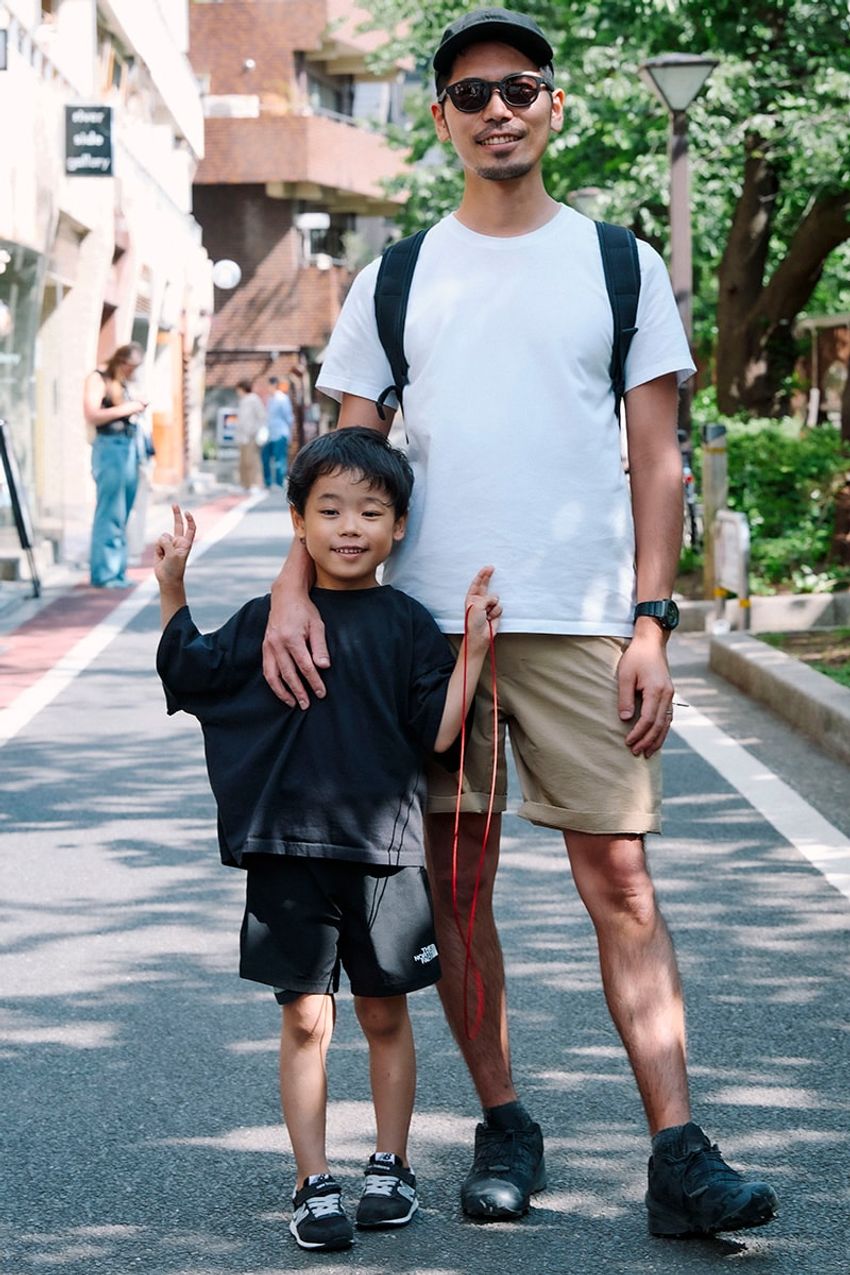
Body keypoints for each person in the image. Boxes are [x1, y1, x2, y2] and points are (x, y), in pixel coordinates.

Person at [259, 6, 779, 1241]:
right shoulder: (393, 279)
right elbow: (345, 456)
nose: (498, 108)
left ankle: (678, 1153)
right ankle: (503, 1126)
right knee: (455, 893)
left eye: (521, 88)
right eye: (472, 91)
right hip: (426, 635)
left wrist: (653, 622)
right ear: (440, 118)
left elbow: (655, 461)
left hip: (585, 620)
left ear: (555, 108)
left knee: (623, 881)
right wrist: (293, 588)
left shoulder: (617, 264)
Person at [155, 427, 501, 1252]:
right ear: (298, 521)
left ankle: (392, 1161)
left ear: (400, 527)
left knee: (384, 1012)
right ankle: (313, 1179)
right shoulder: (264, 618)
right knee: (307, 1017)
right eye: (331, 509)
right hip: (288, 847)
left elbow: (440, 733)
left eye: (371, 511)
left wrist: (474, 651)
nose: (351, 526)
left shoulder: (409, 623)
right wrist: (173, 585)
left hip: (384, 850)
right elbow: (191, 673)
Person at [83, 341, 147, 588]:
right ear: (120, 361)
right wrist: (126, 409)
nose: (132, 371)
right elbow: (91, 414)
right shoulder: (98, 378)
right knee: (109, 511)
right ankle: (105, 573)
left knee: (122, 512)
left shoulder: (120, 383)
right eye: (130, 366)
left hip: (128, 446)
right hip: (109, 447)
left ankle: (117, 570)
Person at [234, 379, 265, 490]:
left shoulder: (254, 399)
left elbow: (262, 416)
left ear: (242, 389)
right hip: (242, 437)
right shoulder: (243, 401)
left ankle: (255, 484)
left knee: (252, 461)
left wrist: (255, 430)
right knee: (243, 462)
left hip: (251, 436)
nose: (237, 392)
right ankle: (245, 484)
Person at [263, 376, 293, 488]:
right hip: (270, 434)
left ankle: (279, 482)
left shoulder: (282, 399)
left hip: (280, 432)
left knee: (279, 459)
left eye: (269, 386)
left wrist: (289, 433)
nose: (267, 388)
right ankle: (268, 482)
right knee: (265, 457)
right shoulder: (270, 399)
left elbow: (289, 417)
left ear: (274, 385)